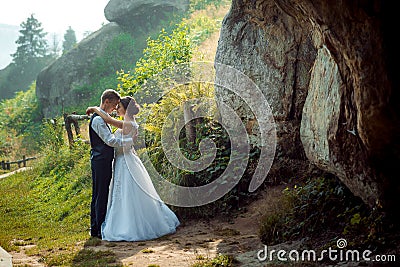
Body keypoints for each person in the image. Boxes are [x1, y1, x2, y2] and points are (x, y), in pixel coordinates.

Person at [86, 96, 180, 241]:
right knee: (122, 192)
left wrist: (94, 109)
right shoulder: (126, 122)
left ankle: (129, 224)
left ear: (126, 109)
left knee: (127, 192)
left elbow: (109, 122)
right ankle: (106, 224)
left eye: (119, 106)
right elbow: (109, 124)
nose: (116, 108)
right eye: (116, 106)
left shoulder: (128, 123)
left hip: (125, 160)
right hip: (121, 160)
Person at [88, 89, 133, 238]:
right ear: (107, 101)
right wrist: (129, 142)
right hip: (100, 161)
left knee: (100, 193)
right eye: (114, 104)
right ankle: (97, 229)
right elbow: (110, 141)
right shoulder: (98, 120)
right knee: (100, 194)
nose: (115, 108)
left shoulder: (103, 117)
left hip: (102, 160)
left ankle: (96, 227)